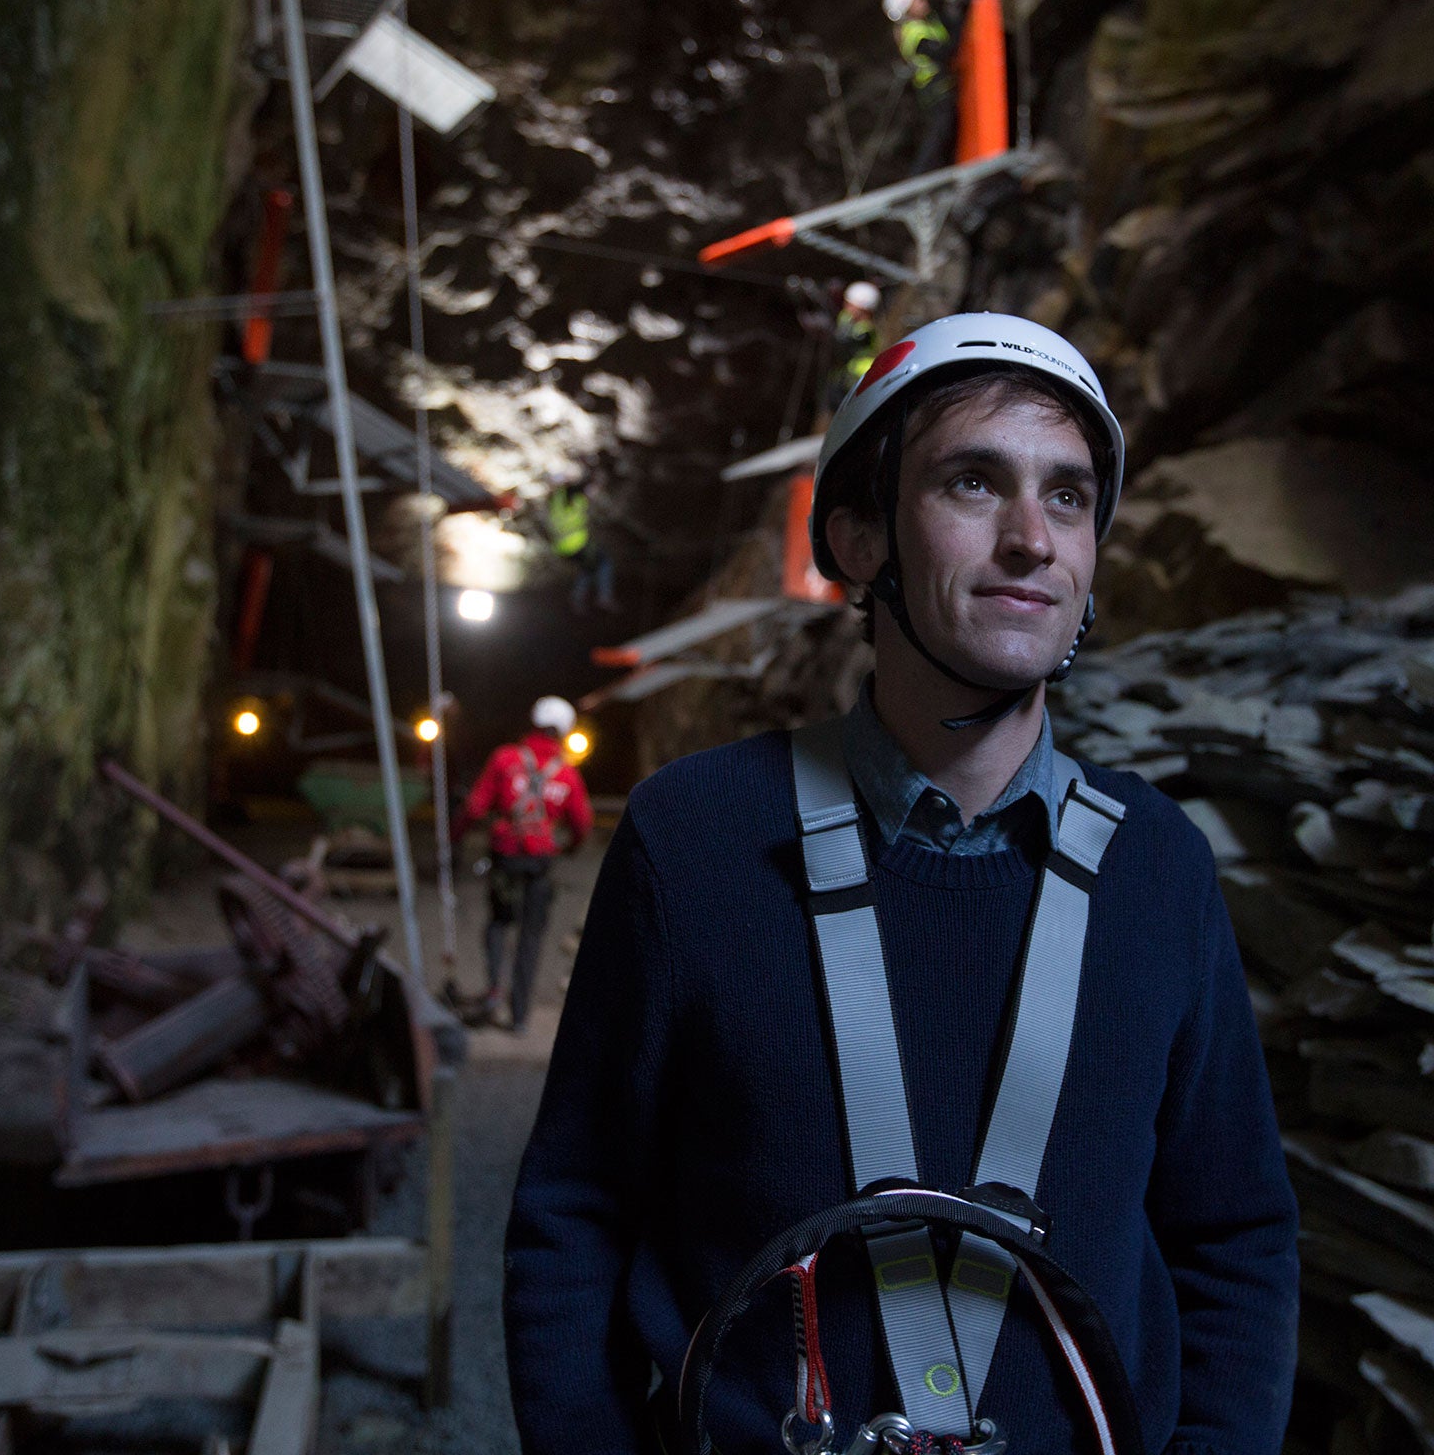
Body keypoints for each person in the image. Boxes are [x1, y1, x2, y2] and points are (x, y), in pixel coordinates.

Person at [505, 314, 1298, 1453]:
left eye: (1067, 498)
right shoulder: (697, 843)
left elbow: (1233, 1241)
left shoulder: (1154, 866)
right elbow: (574, 1214)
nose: (1032, 538)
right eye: (973, 484)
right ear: (860, 539)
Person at [452, 696, 592, 1031]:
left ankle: (494, 992)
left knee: (499, 924)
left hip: (506, 858)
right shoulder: (567, 774)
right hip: (540, 863)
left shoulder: (505, 758)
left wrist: (454, 836)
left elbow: (474, 807)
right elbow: (582, 824)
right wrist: (568, 848)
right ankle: (519, 1016)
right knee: (531, 936)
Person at [885, 0, 960, 175]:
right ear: (907, 10)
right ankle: (919, 175)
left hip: (945, 84)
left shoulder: (928, 20)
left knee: (948, 131)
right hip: (935, 90)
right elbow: (945, 52)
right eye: (916, 0)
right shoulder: (913, 34)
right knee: (940, 130)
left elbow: (949, 39)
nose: (922, 1)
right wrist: (956, 18)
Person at [546, 479, 616, 613]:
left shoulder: (556, 500)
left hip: (561, 547)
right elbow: (585, 499)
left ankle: (577, 599)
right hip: (576, 544)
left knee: (589, 567)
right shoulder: (576, 499)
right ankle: (603, 599)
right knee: (604, 563)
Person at [825, 280, 882, 410]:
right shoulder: (846, 317)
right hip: (840, 378)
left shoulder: (866, 331)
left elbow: (848, 344)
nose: (847, 307)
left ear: (863, 309)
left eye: (851, 305)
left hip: (857, 381)